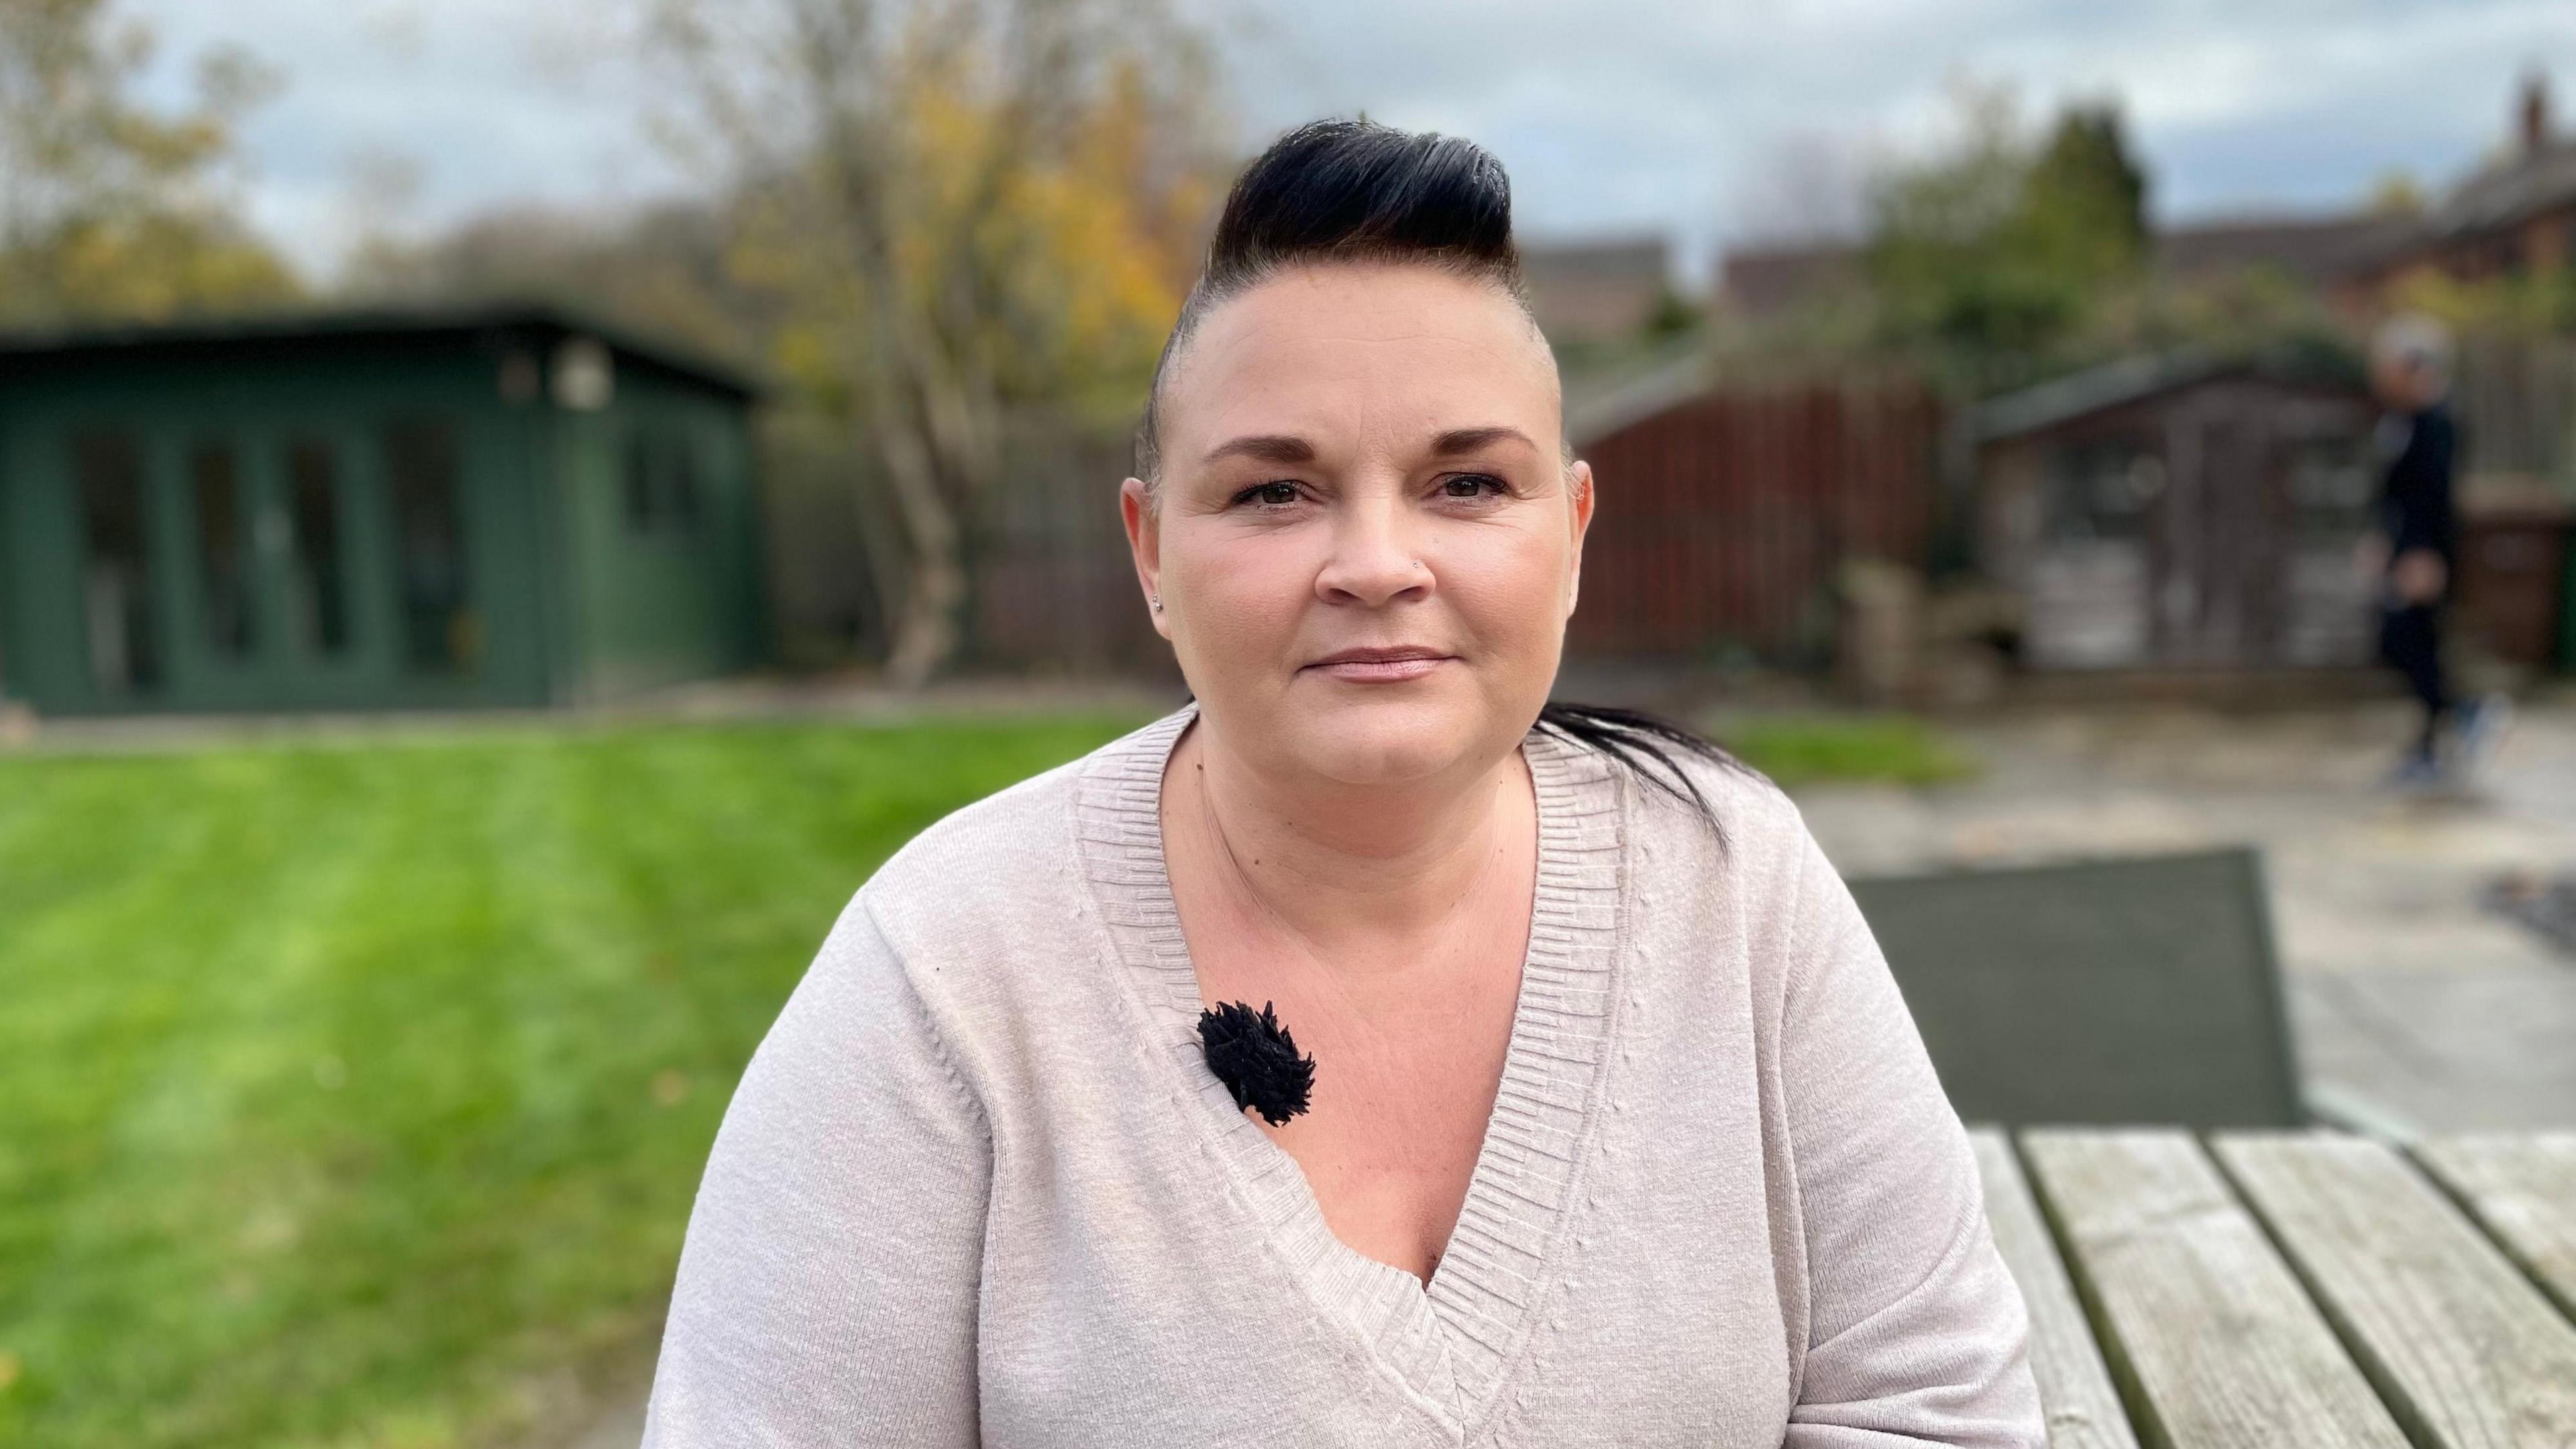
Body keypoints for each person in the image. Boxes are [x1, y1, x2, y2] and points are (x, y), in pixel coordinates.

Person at [641, 120, 2043, 1447]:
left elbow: (1934, 1401)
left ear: (1571, 530)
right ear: (1149, 555)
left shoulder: (1735, 883)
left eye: (1467, 485)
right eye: (1272, 493)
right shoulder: (948, 974)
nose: (1377, 564)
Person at [2363, 313, 2506, 787]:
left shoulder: (2437, 422)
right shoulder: (2401, 420)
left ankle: (2451, 726)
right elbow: (2393, 494)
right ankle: (2447, 727)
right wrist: (2382, 541)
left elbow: (2434, 497)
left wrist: (2424, 555)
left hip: (2424, 555)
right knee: (2403, 643)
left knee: (2413, 641)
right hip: (2404, 550)